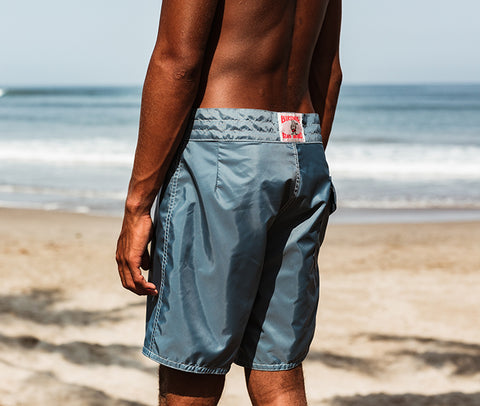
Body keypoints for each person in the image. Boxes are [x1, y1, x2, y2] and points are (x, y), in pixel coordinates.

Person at [116, 0, 342, 404]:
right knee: (279, 366)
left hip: (224, 151)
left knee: (193, 365)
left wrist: (137, 205)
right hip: (301, 144)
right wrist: (298, 154)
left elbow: (177, 62)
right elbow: (329, 70)